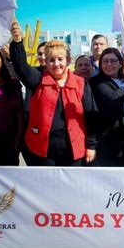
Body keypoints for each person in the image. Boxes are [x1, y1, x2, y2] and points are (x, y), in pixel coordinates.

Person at [9, 22, 98, 166]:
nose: (56, 64)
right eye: (51, 60)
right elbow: (21, 67)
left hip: (74, 151)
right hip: (43, 152)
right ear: (46, 62)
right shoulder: (37, 79)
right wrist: (18, 41)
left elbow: (91, 116)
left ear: (68, 61)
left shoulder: (81, 83)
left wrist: (91, 146)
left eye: (60, 59)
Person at [89, 48, 124, 166]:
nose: (109, 64)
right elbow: (113, 99)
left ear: (120, 63)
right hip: (109, 138)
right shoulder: (96, 82)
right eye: (105, 61)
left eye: (113, 61)